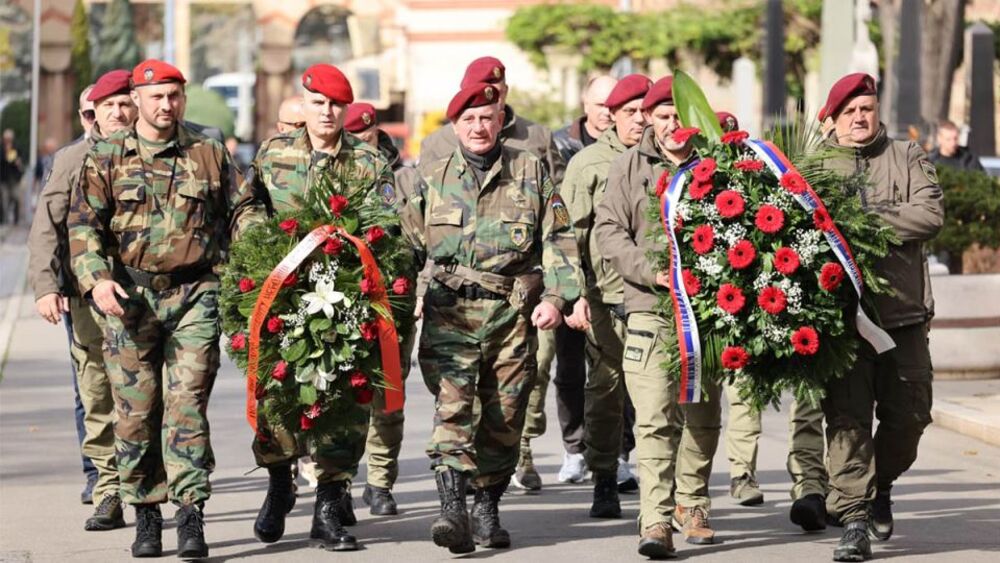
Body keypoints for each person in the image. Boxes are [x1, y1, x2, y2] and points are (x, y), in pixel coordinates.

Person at [68, 59, 265, 559]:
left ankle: (191, 513)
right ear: (135, 99)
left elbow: (241, 209)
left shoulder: (208, 149)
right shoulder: (107, 156)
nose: (166, 105)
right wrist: (96, 281)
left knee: (186, 408)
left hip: (195, 295)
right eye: (156, 96)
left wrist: (254, 248)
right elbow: (84, 226)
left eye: (174, 95)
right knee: (135, 414)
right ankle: (147, 514)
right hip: (129, 302)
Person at [412, 82, 581, 553]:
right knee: (453, 409)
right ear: (455, 126)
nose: (478, 127)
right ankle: (451, 510)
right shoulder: (432, 175)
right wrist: (398, 298)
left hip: (511, 315)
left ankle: (487, 506)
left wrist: (558, 297)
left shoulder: (530, 170)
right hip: (450, 313)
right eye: (468, 120)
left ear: (500, 117)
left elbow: (560, 239)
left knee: (506, 416)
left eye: (486, 117)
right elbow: (403, 244)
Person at [242, 64, 403, 552]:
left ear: (346, 109)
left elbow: (390, 227)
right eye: (318, 103)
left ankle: (330, 506)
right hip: (283, 293)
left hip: (347, 296)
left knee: (343, 405)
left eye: (335, 105)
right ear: (305, 104)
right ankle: (278, 484)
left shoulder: (370, 164)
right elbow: (249, 206)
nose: (327, 113)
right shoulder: (273, 155)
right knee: (277, 396)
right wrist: (257, 241)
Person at [594, 76, 723, 557]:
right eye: (664, 116)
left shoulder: (715, 165)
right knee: (652, 420)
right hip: (650, 310)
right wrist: (653, 273)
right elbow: (610, 231)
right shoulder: (629, 166)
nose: (673, 125)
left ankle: (692, 502)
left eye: (680, 117)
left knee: (703, 417)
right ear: (647, 117)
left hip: (708, 315)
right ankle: (656, 522)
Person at [816, 73, 943, 562]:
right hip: (842, 325)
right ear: (831, 120)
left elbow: (928, 216)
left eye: (866, 108)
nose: (859, 118)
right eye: (849, 112)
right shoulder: (814, 167)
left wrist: (860, 224)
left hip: (902, 318)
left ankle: (881, 482)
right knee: (847, 423)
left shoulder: (907, 157)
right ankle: (853, 520)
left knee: (910, 419)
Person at [714, 111, 831, 527]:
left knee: (807, 398)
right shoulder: (701, 187)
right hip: (740, 312)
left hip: (790, 304)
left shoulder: (766, 178)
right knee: (744, 396)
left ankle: (809, 486)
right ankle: (742, 473)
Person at [28, 77, 133, 526]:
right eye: (105, 106)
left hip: (149, 297)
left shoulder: (158, 154)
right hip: (87, 296)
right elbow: (46, 227)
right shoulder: (72, 158)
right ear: (90, 113)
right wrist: (46, 286)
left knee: (151, 396)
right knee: (94, 392)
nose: (116, 114)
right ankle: (105, 485)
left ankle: (145, 482)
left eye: (124, 105)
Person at [562, 73, 652, 519]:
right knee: (605, 393)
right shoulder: (588, 164)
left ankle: (663, 492)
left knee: (658, 397)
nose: (639, 119)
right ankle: (604, 479)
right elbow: (569, 235)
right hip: (605, 297)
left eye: (644, 111)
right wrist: (575, 296)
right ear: (611, 116)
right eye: (629, 112)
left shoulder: (668, 159)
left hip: (656, 298)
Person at [343, 101, 422, 516]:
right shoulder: (332, 174)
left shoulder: (405, 179)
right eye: (355, 138)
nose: (363, 146)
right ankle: (337, 480)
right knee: (343, 393)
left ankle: (380, 480)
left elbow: (422, 238)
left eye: (369, 138)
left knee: (390, 391)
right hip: (342, 297)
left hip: (394, 298)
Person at [1, 128, 24, 225]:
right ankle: (4, 220)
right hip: (3, 178)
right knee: (4, 199)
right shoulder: (1, 148)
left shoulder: (16, 148)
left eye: (9, 139)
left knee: (16, 198)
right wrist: (5, 153)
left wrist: (18, 162)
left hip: (14, 178)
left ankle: (16, 219)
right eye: (6, 139)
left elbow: (20, 160)